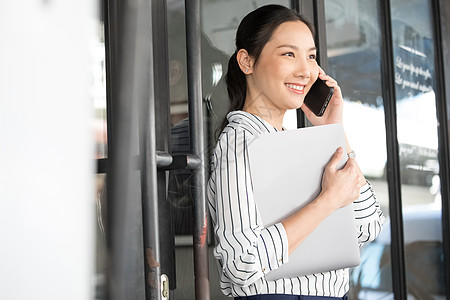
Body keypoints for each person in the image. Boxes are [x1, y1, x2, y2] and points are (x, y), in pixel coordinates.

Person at [206, 5, 385, 300]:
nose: (305, 70)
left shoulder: (299, 144)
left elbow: (367, 227)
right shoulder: (240, 144)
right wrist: (327, 202)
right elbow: (241, 262)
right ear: (246, 62)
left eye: (311, 56)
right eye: (289, 54)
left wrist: (335, 131)